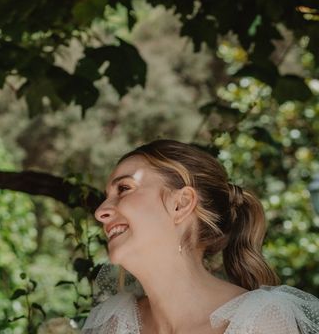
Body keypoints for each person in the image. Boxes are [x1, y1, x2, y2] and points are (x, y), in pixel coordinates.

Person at [83, 139, 319, 334]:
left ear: (181, 204)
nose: (100, 211)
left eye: (123, 189)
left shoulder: (258, 323)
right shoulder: (113, 325)